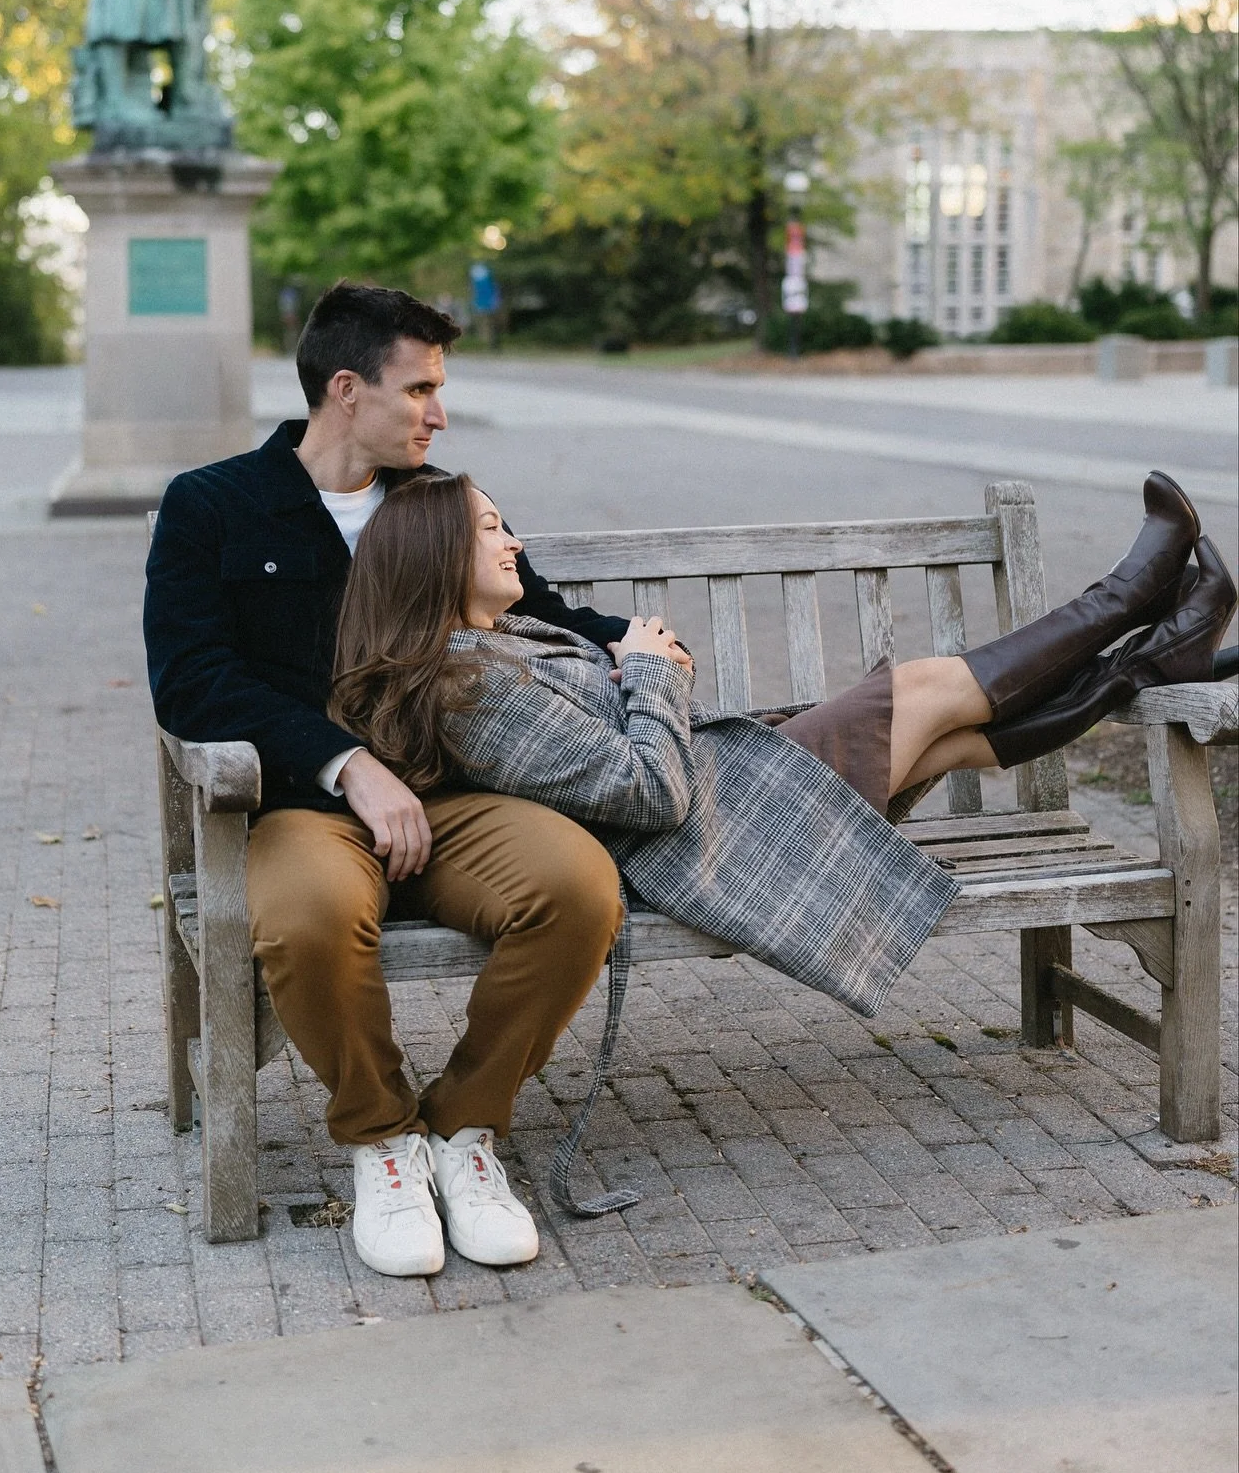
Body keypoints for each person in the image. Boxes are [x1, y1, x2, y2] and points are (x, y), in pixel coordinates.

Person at [330, 472, 1234, 1173]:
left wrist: (637, 676)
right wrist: (650, 671)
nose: (514, 541)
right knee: (923, 691)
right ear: (434, 556)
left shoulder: (494, 645)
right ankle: (1130, 596)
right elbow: (651, 793)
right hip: (715, 821)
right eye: (490, 528)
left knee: (951, 737)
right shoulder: (468, 682)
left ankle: (1145, 661)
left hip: (736, 790)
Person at [144, 283, 643, 1280]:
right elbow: (193, 681)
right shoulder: (213, 506)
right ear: (346, 388)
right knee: (311, 914)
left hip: (455, 799)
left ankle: (462, 1131)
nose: (439, 413)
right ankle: (382, 1139)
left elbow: (535, 609)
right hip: (301, 806)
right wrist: (346, 762)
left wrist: (633, 641)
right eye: (419, 388)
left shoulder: (437, 501)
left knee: (580, 888)